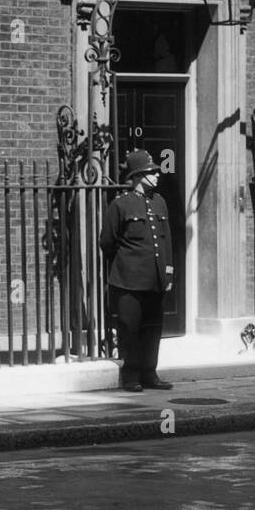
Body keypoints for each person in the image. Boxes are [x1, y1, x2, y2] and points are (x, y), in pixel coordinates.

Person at [99, 148, 175, 392]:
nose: (156, 175)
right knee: (130, 329)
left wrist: (168, 273)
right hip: (128, 280)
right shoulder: (120, 205)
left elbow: (166, 240)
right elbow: (107, 242)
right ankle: (131, 376)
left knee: (153, 328)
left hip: (155, 278)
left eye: (155, 171)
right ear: (138, 175)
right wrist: (125, 264)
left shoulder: (160, 202)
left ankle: (150, 373)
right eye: (151, 172)